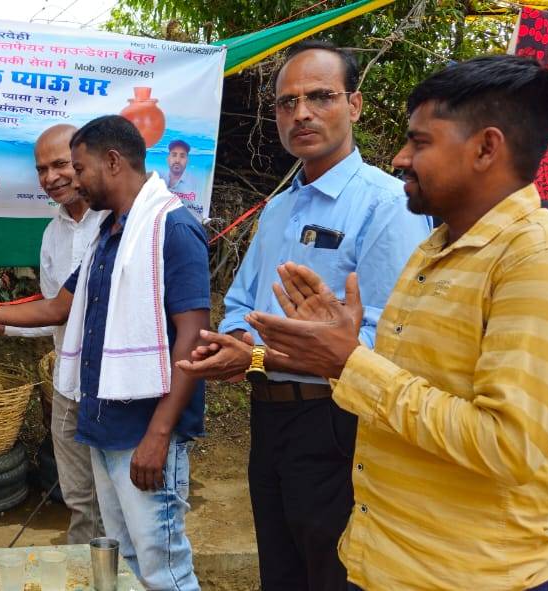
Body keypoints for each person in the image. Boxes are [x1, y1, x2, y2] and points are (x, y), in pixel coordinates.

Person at [246, 55, 548, 590]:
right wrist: (340, 343)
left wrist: (349, 363)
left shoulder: (544, 260)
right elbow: (411, 388)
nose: (400, 159)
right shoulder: (436, 248)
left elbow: (509, 446)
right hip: (384, 561)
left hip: (467, 576)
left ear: (485, 148)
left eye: (420, 142)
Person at [176, 40, 431, 591]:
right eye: (287, 103)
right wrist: (237, 343)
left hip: (339, 423)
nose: (302, 114)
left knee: (337, 574)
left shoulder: (387, 205)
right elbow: (241, 304)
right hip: (270, 421)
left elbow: (390, 339)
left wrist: (259, 354)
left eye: (320, 97)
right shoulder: (279, 207)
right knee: (281, 570)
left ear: (354, 105)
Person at [0, 116, 209, 590]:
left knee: (163, 570)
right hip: (104, 423)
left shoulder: (173, 229)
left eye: (78, 168)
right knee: (123, 559)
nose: (72, 179)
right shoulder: (107, 235)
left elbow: (193, 340)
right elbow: (61, 307)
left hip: (144, 428)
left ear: (112, 162)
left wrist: (159, 434)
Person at [0, 123, 106, 544]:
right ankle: (84, 568)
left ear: (84, 163)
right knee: (79, 498)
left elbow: (63, 309)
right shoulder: (52, 233)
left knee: (118, 500)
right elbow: (56, 315)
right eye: (41, 169)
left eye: (60, 165)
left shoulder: (116, 223)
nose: (50, 177)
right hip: (67, 386)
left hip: (113, 388)